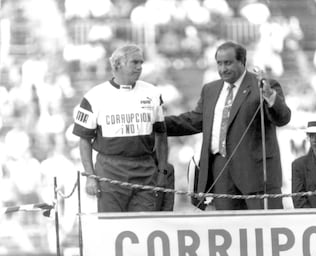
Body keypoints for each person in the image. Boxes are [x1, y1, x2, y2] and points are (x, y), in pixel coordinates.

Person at [165, 41, 291, 210]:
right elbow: (194, 120)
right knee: (228, 229)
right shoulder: (210, 90)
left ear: (242, 61)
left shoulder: (263, 85)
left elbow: (282, 118)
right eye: (219, 63)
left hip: (256, 174)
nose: (223, 69)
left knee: (264, 231)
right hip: (220, 173)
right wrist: (158, 124)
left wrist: (270, 96)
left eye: (228, 63)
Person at [72, 44, 169, 212]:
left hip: (144, 169)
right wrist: (90, 176)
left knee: (145, 226)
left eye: (141, 62)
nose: (140, 67)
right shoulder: (95, 96)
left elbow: (161, 135)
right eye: (134, 63)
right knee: (112, 227)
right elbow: (84, 140)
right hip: (110, 170)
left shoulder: (152, 93)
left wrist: (162, 170)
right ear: (117, 64)